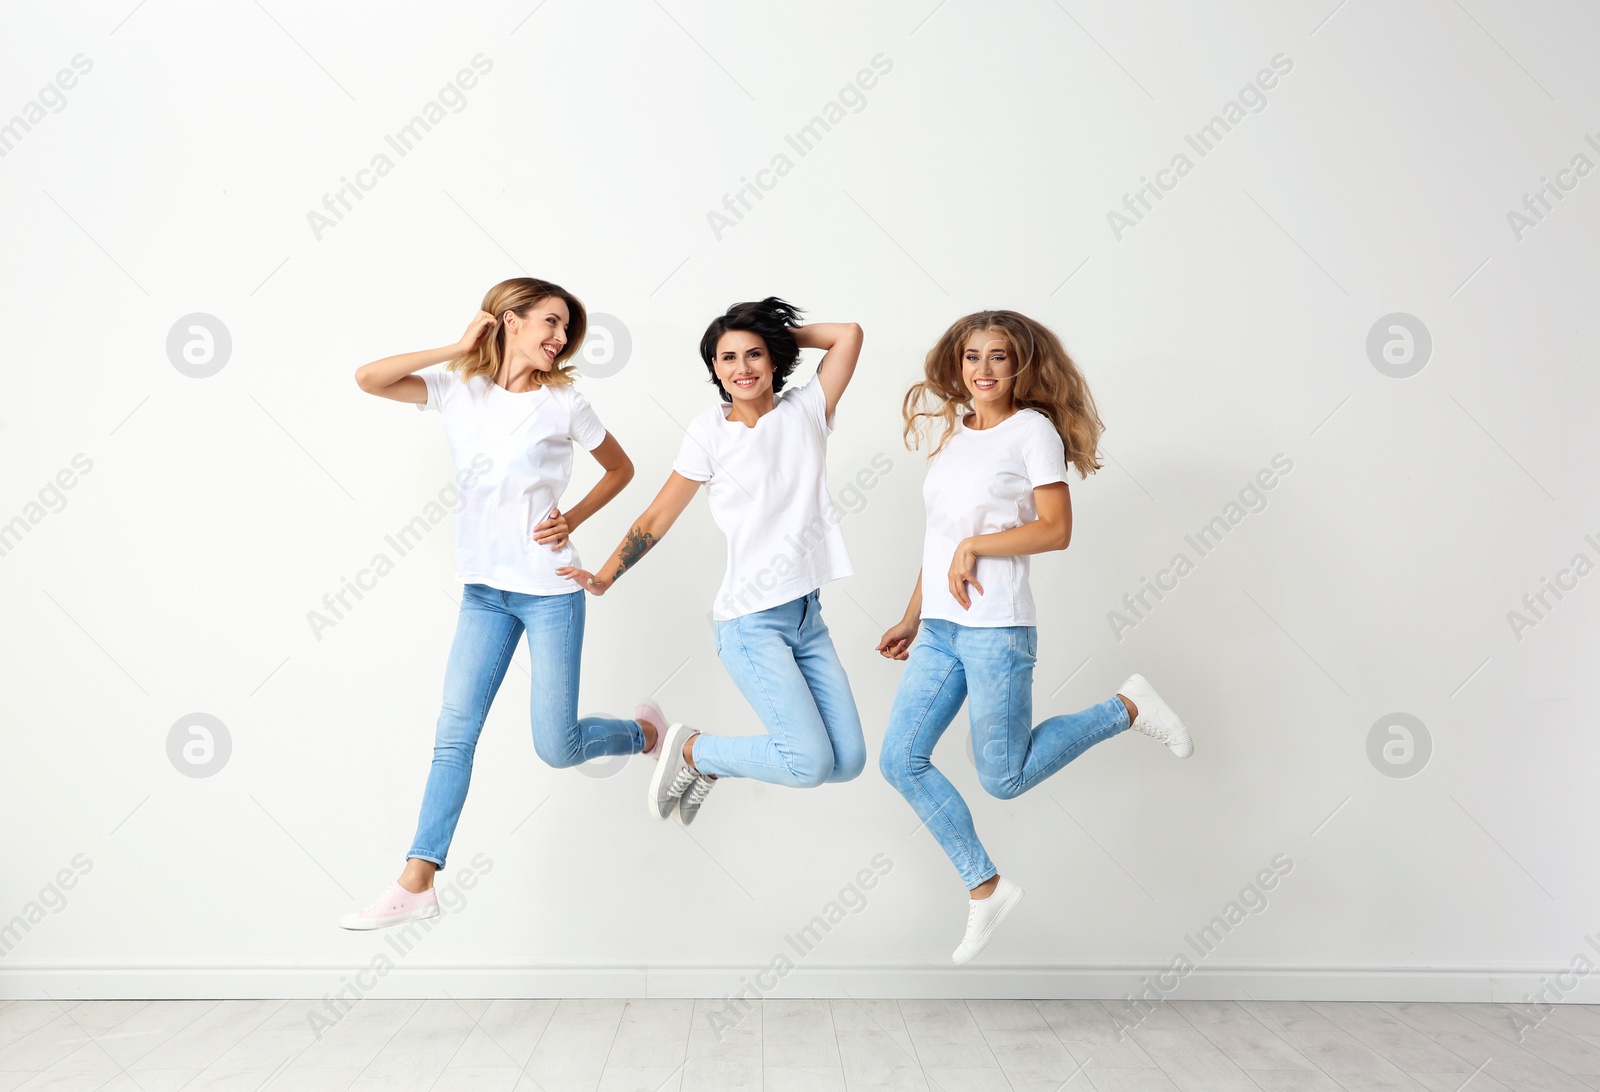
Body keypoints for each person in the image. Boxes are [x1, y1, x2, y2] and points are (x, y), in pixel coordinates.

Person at [339, 277, 660, 930]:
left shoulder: (566, 402)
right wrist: (458, 345)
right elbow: (368, 378)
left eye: (567, 327)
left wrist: (571, 515)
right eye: (548, 321)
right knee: (453, 735)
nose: (560, 337)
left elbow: (622, 469)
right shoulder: (459, 389)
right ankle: (418, 877)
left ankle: (643, 733)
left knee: (558, 746)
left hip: (550, 591)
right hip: (484, 592)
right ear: (506, 320)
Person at [875, 310, 1195, 964]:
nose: (983, 370)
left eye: (998, 357)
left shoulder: (1033, 433)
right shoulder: (955, 436)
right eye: (972, 357)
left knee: (1004, 777)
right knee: (899, 759)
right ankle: (984, 887)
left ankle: (1127, 708)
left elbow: (1055, 528)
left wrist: (975, 545)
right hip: (940, 626)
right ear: (957, 364)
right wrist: (913, 613)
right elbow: (939, 539)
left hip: (997, 629)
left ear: (1021, 365)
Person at [559, 298, 867, 827]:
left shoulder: (807, 409)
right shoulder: (708, 433)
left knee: (847, 762)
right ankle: (693, 750)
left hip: (806, 618)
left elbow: (849, 334)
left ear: (775, 361)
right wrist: (607, 574)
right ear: (715, 370)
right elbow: (658, 514)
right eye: (727, 358)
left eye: (754, 355)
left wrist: (774, 331)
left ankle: (702, 758)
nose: (741, 368)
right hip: (751, 623)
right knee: (809, 762)